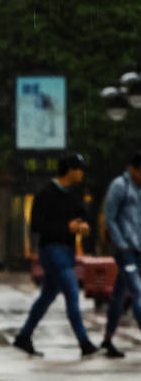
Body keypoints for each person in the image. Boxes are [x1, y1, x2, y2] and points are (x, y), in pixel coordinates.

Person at [13, 152, 98, 358]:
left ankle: (24, 335)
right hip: (52, 250)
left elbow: (82, 215)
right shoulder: (46, 194)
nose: (82, 174)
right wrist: (67, 227)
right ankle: (84, 342)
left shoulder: (75, 193)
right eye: (79, 169)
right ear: (70, 170)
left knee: (47, 296)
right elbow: (37, 226)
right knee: (72, 292)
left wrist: (83, 226)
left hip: (68, 251)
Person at [100, 154, 141, 359]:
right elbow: (110, 217)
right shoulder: (119, 186)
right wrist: (121, 244)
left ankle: (108, 339)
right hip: (125, 251)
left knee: (119, 295)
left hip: (138, 249)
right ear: (134, 169)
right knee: (137, 292)